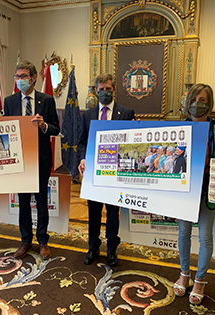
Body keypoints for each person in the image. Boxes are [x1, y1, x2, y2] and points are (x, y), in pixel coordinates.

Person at [173, 83, 215, 305]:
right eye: (194, 99)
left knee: (205, 236)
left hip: (209, 189)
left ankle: (200, 280)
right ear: (187, 102)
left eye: (202, 100)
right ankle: (184, 273)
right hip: (185, 188)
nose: (197, 104)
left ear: (209, 104)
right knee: (183, 232)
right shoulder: (178, 130)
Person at [3, 60, 60, 260]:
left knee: (41, 202)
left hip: (40, 159)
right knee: (23, 201)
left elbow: (56, 128)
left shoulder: (46, 100)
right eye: (17, 76)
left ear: (34, 78)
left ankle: (43, 240)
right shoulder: (9, 102)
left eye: (24, 76)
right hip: (20, 161)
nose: (20, 80)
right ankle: (25, 240)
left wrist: (43, 125)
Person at [78, 73, 135, 267]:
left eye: (108, 89)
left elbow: (131, 141)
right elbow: (82, 143)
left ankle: (112, 250)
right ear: (95, 91)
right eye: (101, 89)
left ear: (113, 89)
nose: (105, 92)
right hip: (94, 173)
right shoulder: (87, 114)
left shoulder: (126, 113)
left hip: (116, 174)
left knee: (112, 213)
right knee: (93, 213)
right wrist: (83, 159)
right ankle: (92, 247)